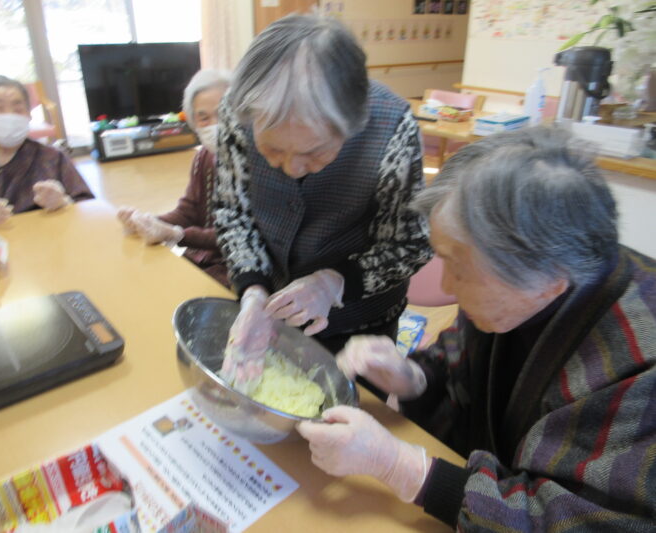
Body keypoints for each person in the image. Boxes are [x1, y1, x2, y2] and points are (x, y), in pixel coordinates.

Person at [297, 127, 656, 530]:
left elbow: (581, 520)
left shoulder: (640, 368)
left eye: (460, 268)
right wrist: (413, 379)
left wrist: (401, 467)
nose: (447, 286)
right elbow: (457, 365)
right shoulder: (527, 284)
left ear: (549, 280)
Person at [215, 14, 431, 388]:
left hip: (360, 328)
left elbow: (410, 243)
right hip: (269, 313)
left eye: (314, 152)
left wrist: (332, 284)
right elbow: (233, 211)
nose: (292, 169)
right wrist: (253, 292)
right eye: (272, 150)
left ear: (353, 124)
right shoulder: (239, 112)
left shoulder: (393, 127)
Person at [117, 69, 231, 288]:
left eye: (223, 113)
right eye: (204, 118)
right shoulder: (204, 156)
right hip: (201, 259)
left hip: (234, 269)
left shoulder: (257, 161)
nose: (214, 124)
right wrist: (147, 222)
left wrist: (177, 235)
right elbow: (187, 211)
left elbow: (242, 234)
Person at [0, 75, 93, 226]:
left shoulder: (53, 158)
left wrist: (63, 202)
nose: (9, 116)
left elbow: (87, 205)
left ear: (29, 115)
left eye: (18, 109)